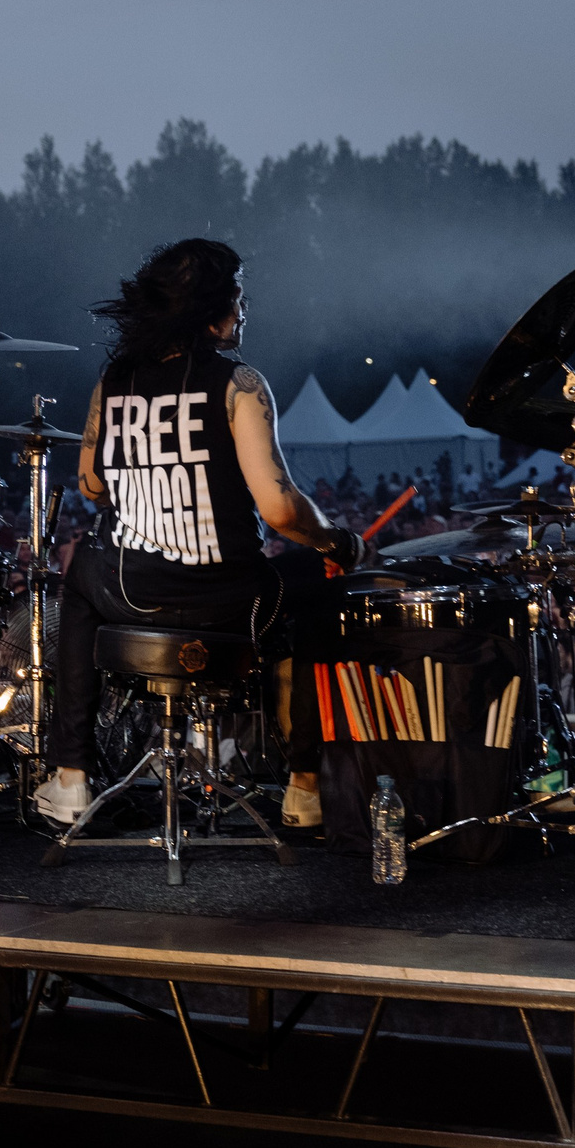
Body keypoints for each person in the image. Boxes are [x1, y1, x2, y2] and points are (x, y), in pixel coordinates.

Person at [38, 239, 360, 828]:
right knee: (319, 585)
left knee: (80, 570)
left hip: (132, 592)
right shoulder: (241, 384)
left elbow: (89, 484)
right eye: (238, 300)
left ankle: (70, 776)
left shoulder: (114, 382)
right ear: (210, 311)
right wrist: (336, 541)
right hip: (232, 601)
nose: (243, 313)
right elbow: (281, 510)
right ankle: (305, 787)